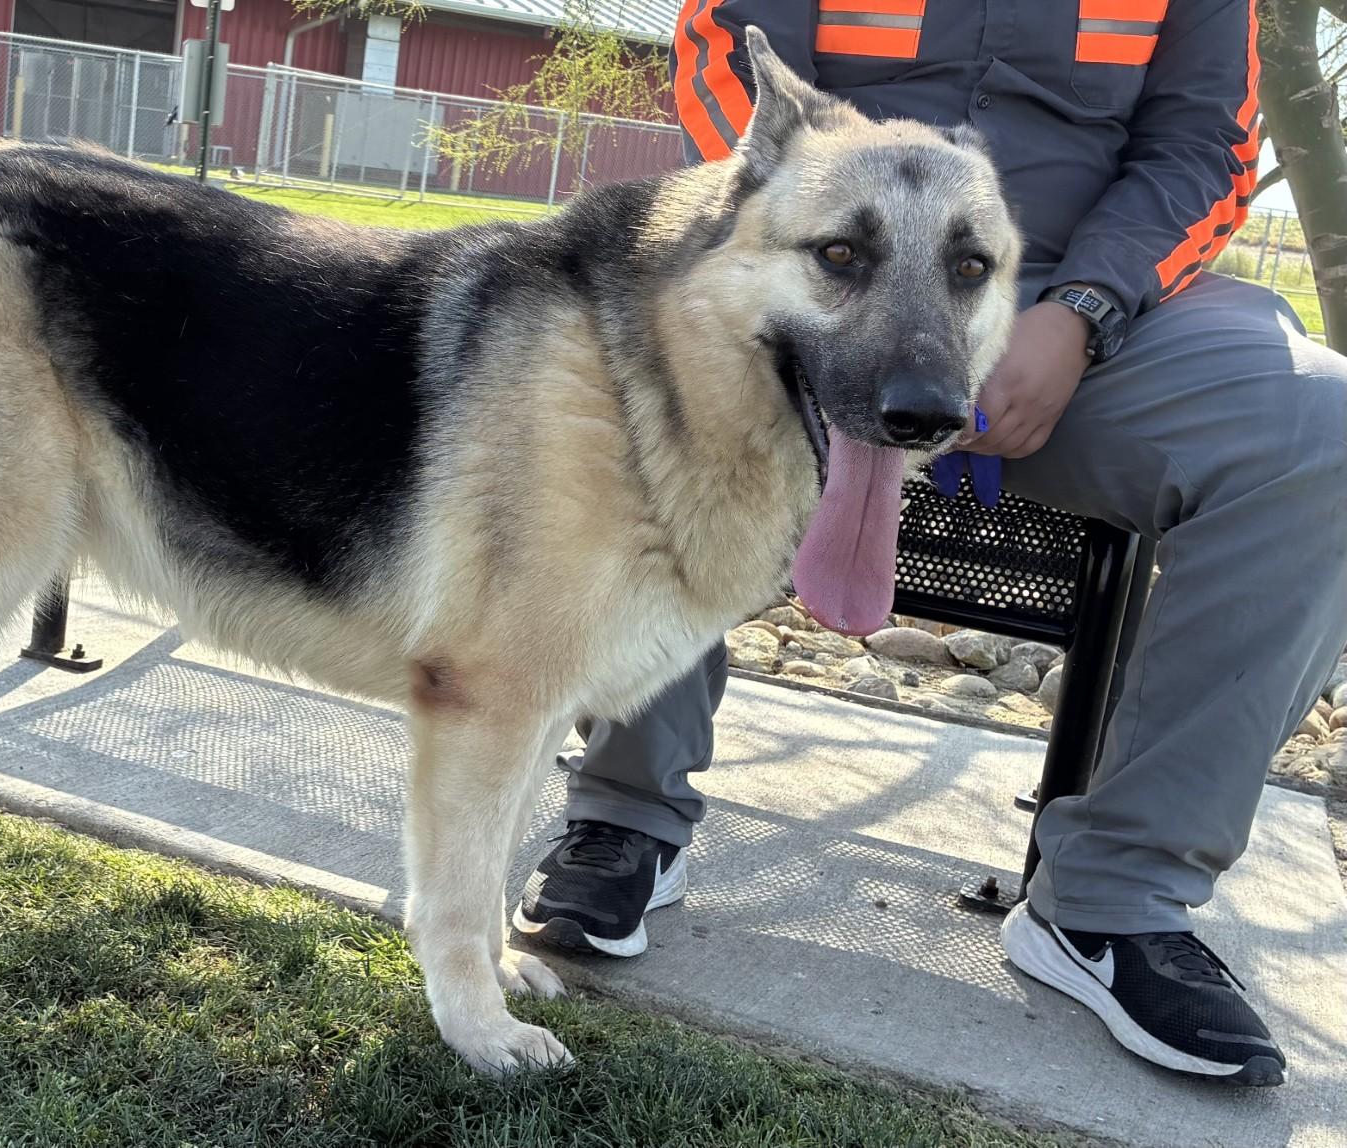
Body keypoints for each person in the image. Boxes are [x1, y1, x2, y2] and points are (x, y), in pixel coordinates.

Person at [514, 0, 1347, 1087]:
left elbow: (1203, 146)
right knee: (639, 351)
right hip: (822, 267)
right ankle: (625, 814)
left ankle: (1113, 902)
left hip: (1080, 318)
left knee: (1323, 433)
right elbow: (731, 57)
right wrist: (836, 260)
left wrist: (1083, 311)